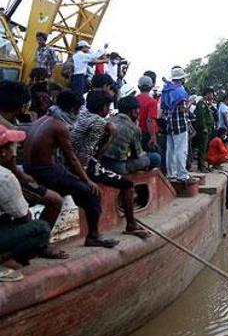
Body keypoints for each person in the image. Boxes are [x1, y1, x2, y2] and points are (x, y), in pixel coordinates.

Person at [24, 91, 118, 248]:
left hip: (33, 167)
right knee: (92, 193)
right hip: (45, 171)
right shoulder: (60, 126)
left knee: (77, 188)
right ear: (74, 109)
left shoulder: (42, 119)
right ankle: (93, 236)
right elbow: (72, 159)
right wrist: (88, 181)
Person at [71, 91, 150, 239]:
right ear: (103, 108)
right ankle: (130, 224)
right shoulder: (100, 123)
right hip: (84, 165)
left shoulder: (82, 116)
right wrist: (111, 136)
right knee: (127, 185)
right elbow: (93, 156)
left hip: (76, 161)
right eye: (108, 106)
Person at [0, 81, 65, 239]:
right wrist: (27, 179)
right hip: (5, 178)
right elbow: (12, 169)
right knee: (55, 200)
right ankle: (38, 243)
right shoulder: (9, 129)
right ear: (23, 105)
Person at [0, 125, 53, 279]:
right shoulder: (5, 177)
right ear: (3, 152)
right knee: (41, 228)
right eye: (12, 148)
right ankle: (6, 257)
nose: (14, 151)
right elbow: (23, 216)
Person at [103, 96, 160, 174]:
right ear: (133, 111)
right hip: (119, 167)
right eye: (137, 109)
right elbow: (138, 155)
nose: (138, 111)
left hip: (102, 163)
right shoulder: (133, 128)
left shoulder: (109, 120)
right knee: (155, 157)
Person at [161, 66, 193, 182]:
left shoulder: (166, 89)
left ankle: (171, 173)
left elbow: (163, 108)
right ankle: (182, 174)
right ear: (181, 79)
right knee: (181, 149)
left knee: (171, 150)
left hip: (170, 122)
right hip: (180, 123)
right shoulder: (180, 90)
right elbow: (182, 109)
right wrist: (190, 102)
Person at [193, 87, 215, 172]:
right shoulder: (201, 104)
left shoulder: (207, 104)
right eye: (211, 94)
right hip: (204, 129)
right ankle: (201, 167)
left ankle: (203, 165)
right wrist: (204, 128)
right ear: (207, 94)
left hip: (208, 128)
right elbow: (201, 117)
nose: (212, 96)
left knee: (205, 147)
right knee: (202, 148)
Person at [136, 75, 159, 153]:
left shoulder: (134, 100)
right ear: (151, 87)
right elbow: (150, 120)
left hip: (136, 132)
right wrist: (153, 136)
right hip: (148, 134)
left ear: (138, 87)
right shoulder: (152, 102)